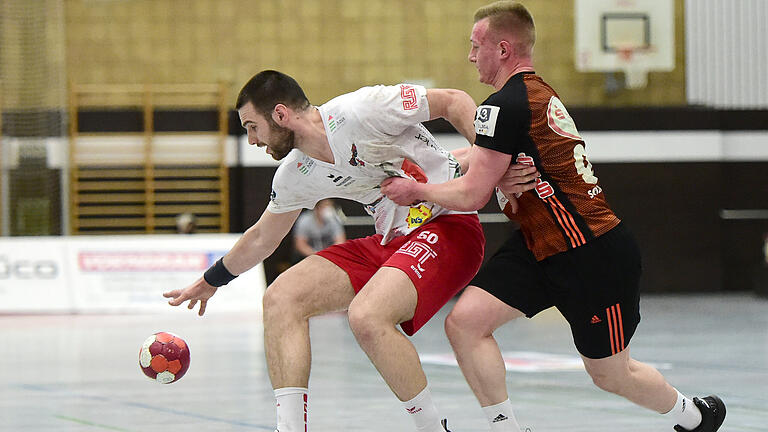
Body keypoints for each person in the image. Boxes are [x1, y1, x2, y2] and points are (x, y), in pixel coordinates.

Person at [381, 2, 726, 432]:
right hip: (540, 244)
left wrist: (415, 190)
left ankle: (694, 417)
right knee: (466, 323)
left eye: (476, 46)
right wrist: (437, 168)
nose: (470, 56)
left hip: (591, 253)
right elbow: (483, 158)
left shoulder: (504, 105)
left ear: (503, 49)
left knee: (610, 375)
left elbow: (473, 192)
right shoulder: (534, 93)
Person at [163, 70, 488, 432]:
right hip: (391, 242)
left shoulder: (362, 109)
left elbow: (453, 100)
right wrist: (212, 281)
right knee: (281, 297)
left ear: (281, 115)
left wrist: (491, 163)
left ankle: (432, 429)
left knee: (366, 316)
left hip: (450, 224)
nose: (252, 139)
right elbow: (261, 239)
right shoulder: (295, 173)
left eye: (253, 126)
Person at [291, 198, 346, 263]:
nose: (328, 209)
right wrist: (317, 256)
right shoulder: (305, 220)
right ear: (317, 208)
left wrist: (329, 254)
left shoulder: (334, 220)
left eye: (330, 206)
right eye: (325, 206)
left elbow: (340, 241)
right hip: (307, 257)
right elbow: (300, 244)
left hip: (329, 257)